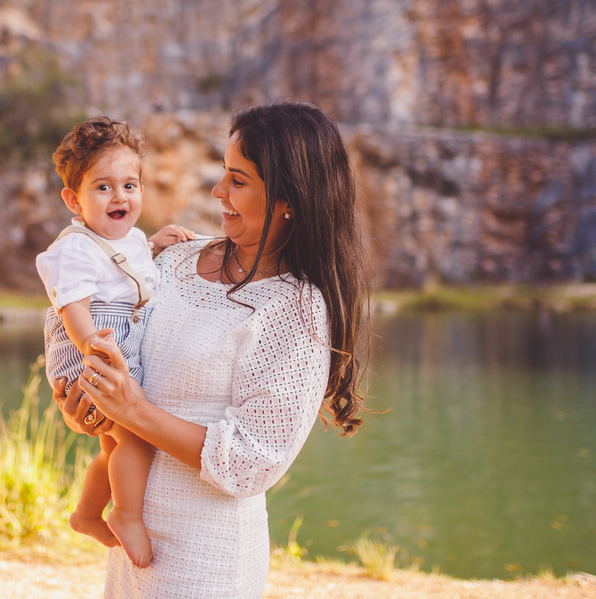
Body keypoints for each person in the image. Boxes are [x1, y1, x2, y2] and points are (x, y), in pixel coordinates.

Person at [54, 100, 372, 598]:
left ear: (288, 198)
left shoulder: (297, 310)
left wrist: (133, 410)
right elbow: (102, 324)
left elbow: (252, 461)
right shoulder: (177, 256)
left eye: (239, 180)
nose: (218, 190)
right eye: (225, 172)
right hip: (130, 547)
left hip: (205, 560)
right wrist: (89, 409)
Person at [37, 116, 195, 568]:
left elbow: (129, 273)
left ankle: (87, 514)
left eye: (130, 184)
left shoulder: (131, 240)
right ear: (74, 198)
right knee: (138, 440)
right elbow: (72, 307)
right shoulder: (74, 248)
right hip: (94, 348)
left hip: (110, 347)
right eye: (103, 187)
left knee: (113, 446)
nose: (120, 196)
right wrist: (92, 347)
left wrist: (156, 248)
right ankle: (126, 515)